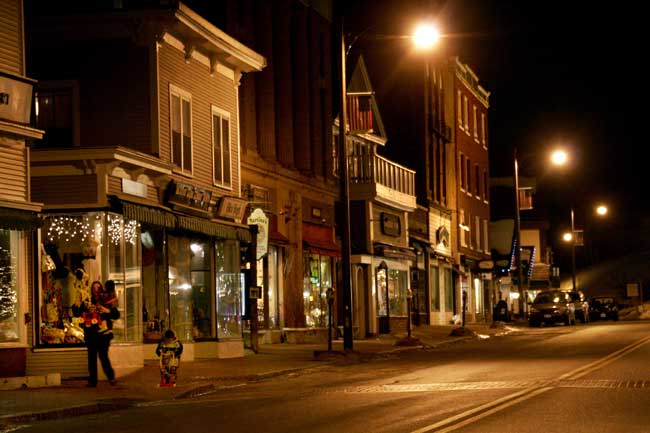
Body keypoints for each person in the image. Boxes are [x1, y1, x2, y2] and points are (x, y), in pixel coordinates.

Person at [72, 280, 119, 387]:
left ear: (101, 289)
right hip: (91, 333)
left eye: (98, 288)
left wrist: (104, 310)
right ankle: (92, 381)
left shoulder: (106, 300)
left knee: (103, 356)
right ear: (91, 290)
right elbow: (78, 312)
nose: (96, 291)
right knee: (91, 357)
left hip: (104, 334)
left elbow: (116, 314)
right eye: (94, 288)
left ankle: (111, 377)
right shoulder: (88, 300)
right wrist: (82, 308)